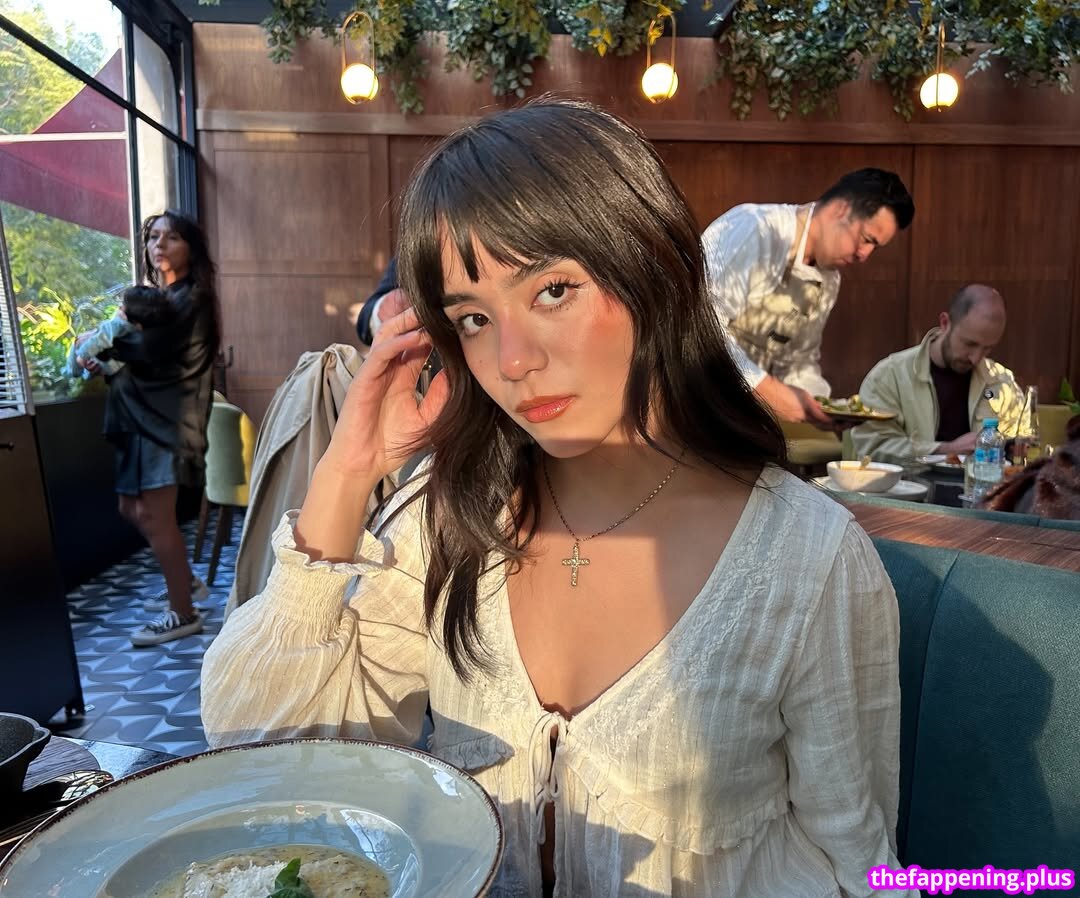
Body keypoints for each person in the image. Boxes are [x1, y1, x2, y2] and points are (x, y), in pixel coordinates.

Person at [201, 100, 915, 898]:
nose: (511, 360)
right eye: (473, 317)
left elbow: (854, 863)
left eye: (552, 292)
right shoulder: (454, 518)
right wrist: (350, 468)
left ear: (653, 270)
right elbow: (271, 746)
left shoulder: (810, 560)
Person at [81, 210, 220, 646]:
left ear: (191, 248)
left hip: (163, 424)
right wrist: (103, 355)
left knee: (155, 517)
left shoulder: (191, 298)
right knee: (130, 509)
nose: (159, 244)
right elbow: (136, 350)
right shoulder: (162, 299)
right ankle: (185, 581)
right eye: (154, 237)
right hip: (136, 419)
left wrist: (101, 347)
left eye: (172, 237)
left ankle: (183, 613)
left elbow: (151, 350)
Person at [702, 168, 915, 427]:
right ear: (841, 209)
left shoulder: (828, 281)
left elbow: (797, 359)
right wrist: (767, 390)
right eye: (866, 239)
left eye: (874, 247)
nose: (864, 255)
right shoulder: (756, 227)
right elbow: (702, 328)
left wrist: (820, 406)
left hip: (741, 415)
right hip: (693, 399)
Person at [851, 284, 1023, 461]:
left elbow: (1020, 446)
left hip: (981, 479)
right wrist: (945, 450)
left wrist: (1012, 450)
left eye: (987, 348)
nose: (976, 358)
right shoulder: (890, 376)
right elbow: (873, 448)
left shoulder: (1001, 383)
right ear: (945, 323)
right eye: (969, 344)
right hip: (910, 478)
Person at [63, 286, 175, 380]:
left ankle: (69, 372)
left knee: (77, 346)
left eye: (122, 306)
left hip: (98, 362)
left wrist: (82, 355)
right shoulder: (141, 329)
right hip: (113, 367)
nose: (119, 307)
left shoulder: (118, 324)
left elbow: (99, 340)